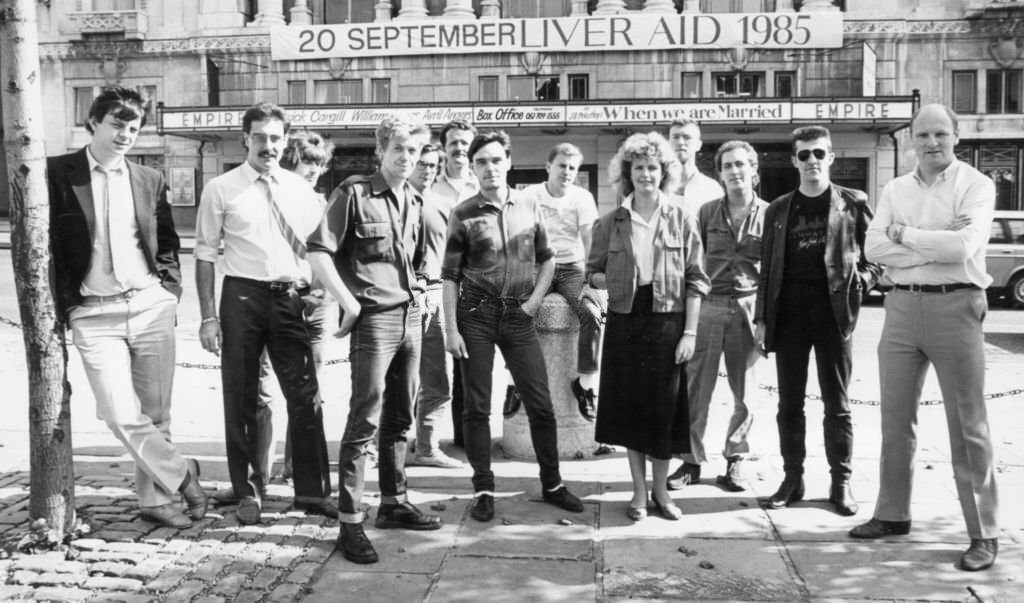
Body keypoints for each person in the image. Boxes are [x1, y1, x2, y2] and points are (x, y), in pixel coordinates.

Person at [850, 104, 1000, 572]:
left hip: (957, 305)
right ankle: (893, 514)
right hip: (901, 308)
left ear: (957, 135)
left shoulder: (975, 185)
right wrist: (925, 243)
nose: (932, 143)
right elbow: (874, 247)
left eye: (941, 134)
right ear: (912, 139)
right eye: (923, 135)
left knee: (967, 424)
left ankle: (984, 532)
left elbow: (963, 247)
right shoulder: (895, 188)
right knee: (895, 420)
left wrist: (905, 237)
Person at [48, 86, 206, 528]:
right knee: (119, 412)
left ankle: (154, 500)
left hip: (149, 305)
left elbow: (168, 243)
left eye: (133, 128)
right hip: (93, 313)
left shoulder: (148, 179)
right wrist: (63, 305)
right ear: (93, 123)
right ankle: (182, 476)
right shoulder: (57, 174)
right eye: (117, 124)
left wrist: (168, 292)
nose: (125, 135)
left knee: (157, 416)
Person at [307, 116, 442, 565]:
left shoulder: (415, 198)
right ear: (381, 150)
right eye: (400, 150)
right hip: (374, 320)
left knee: (402, 417)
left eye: (415, 152)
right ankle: (349, 522)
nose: (408, 159)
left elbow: (419, 261)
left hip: (410, 317)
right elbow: (318, 251)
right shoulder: (354, 193)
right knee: (365, 419)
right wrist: (348, 303)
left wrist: (423, 292)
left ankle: (394, 502)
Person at [195, 102, 333, 525]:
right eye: (260, 137)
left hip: (291, 298)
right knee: (244, 398)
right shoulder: (221, 188)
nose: (268, 145)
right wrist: (207, 317)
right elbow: (203, 255)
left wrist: (320, 292)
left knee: (306, 396)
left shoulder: (300, 190)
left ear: (284, 140)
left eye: (275, 138)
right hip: (241, 298)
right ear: (245, 139)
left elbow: (320, 249)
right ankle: (248, 491)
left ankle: (311, 493)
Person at [442, 130, 585, 523]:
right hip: (476, 316)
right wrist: (451, 330)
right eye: (481, 162)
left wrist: (535, 301)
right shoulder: (464, 213)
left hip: (519, 317)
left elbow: (548, 259)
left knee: (540, 403)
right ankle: (484, 487)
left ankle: (553, 484)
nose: (489, 168)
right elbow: (450, 276)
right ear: (473, 169)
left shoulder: (528, 205)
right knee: (476, 406)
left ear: (508, 162)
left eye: (495, 160)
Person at [754, 126, 881, 517]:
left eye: (819, 154)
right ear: (794, 160)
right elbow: (768, 269)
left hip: (833, 317)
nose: (812, 161)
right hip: (789, 317)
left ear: (831, 157)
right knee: (789, 404)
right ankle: (793, 479)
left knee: (837, 404)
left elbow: (877, 254)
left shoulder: (853, 203)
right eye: (804, 155)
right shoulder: (777, 209)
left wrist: (863, 280)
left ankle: (840, 482)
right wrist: (761, 319)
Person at [588, 132, 709, 521]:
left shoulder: (682, 217)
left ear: (664, 172)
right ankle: (639, 493)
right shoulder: (610, 222)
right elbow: (591, 274)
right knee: (632, 413)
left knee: (664, 411)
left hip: (668, 322)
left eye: (652, 167)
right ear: (628, 174)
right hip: (626, 321)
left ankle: (662, 492)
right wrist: (615, 278)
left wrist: (689, 333)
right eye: (638, 168)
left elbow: (696, 280)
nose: (645, 174)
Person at [668, 140, 767, 493]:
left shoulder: (770, 215)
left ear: (753, 170)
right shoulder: (707, 212)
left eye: (741, 164)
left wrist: (766, 321)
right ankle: (691, 461)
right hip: (710, 307)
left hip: (748, 310)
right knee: (696, 389)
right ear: (720, 173)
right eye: (727, 166)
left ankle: (736, 458)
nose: (735, 171)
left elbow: (772, 273)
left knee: (747, 394)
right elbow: (691, 266)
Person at [515, 143, 602, 421]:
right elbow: (519, 236)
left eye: (572, 167)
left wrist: (591, 280)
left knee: (590, 314)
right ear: (548, 167)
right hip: (538, 266)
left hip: (572, 268)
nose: (567, 172)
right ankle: (515, 383)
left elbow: (590, 239)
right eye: (562, 165)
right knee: (516, 314)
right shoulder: (530, 194)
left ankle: (585, 386)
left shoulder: (582, 197)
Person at [406, 142, 465, 469]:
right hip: (400, 298)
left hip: (435, 294)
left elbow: (455, 255)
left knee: (437, 380)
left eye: (432, 165)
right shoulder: (393, 199)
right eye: (421, 163)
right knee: (395, 381)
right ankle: (382, 450)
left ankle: (427, 447)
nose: (426, 170)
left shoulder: (446, 205)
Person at [431, 120, 479, 448]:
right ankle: (427, 440)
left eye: (465, 144)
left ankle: (466, 438)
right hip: (438, 284)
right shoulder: (431, 189)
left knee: (470, 363)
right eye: (454, 144)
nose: (460, 149)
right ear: (444, 149)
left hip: (475, 286)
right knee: (435, 369)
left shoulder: (483, 186)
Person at [668, 119, 724, 215]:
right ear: (669, 142)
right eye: (675, 137)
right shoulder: (657, 187)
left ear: (698, 145)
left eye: (687, 137)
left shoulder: (712, 189)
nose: (681, 142)